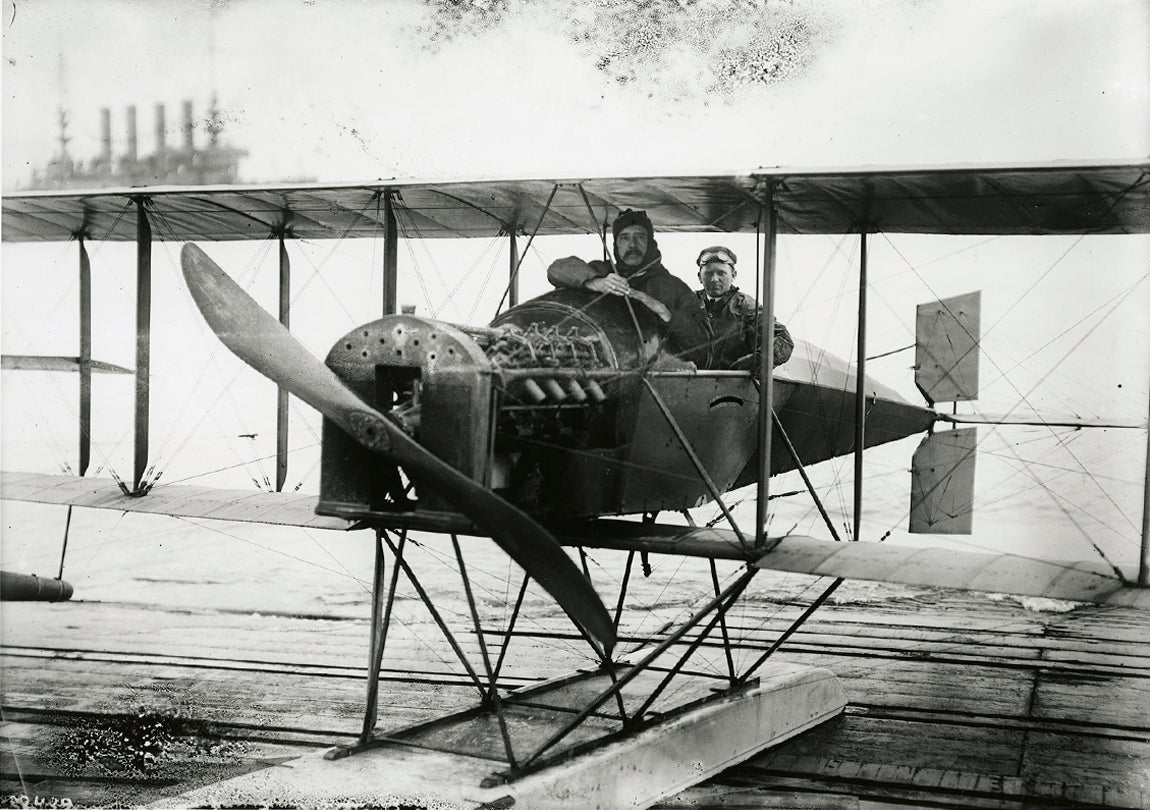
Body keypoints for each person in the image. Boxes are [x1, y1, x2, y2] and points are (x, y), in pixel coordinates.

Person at [547, 209, 695, 320]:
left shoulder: (675, 287)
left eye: (640, 237)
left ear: (650, 243)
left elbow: (702, 346)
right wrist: (597, 282)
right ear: (616, 245)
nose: (632, 245)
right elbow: (557, 269)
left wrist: (663, 311)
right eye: (624, 238)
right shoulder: (602, 270)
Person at [667, 245, 794, 371]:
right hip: (686, 383)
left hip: (731, 387)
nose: (714, 279)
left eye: (721, 273)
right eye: (708, 273)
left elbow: (782, 338)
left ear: (733, 275)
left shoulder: (747, 308)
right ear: (700, 277)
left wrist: (753, 362)